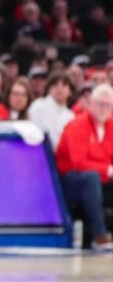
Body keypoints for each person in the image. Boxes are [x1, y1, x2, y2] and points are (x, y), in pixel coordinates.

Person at [55, 83, 113, 251]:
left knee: (95, 178)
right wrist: (107, 169)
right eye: (100, 104)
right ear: (90, 104)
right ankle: (99, 236)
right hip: (70, 180)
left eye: (108, 105)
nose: (104, 109)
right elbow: (79, 163)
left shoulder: (111, 127)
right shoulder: (77, 125)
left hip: (99, 180)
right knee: (91, 178)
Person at [27, 72, 75, 149]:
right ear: (49, 89)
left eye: (64, 85)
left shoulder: (71, 116)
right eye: (55, 85)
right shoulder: (39, 106)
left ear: (70, 91)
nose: (60, 89)